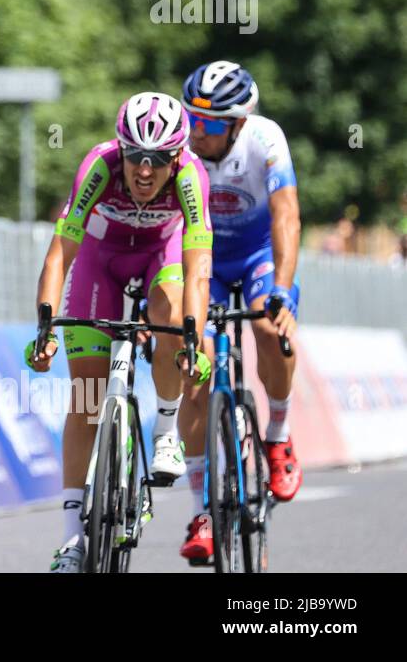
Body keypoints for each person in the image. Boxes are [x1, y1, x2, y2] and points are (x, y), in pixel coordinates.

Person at [28, 92, 211, 573]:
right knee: (87, 397)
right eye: (135, 156)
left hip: (160, 258)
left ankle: (166, 430)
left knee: (171, 314)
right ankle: (71, 541)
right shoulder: (99, 165)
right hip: (100, 261)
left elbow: (197, 267)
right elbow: (61, 250)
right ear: (120, 149)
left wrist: (193, 337)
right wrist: (45, 325)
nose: (144, 171)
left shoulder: (193, 176)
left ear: (176, 157)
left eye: (157, 160)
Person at [176, 61, 303, 564]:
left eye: (206, 124)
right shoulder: (179, 146)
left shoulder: (266, 140)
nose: (194, 132)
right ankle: (201, 511)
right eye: (191, 119)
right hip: (203, 258)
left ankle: (277, 437)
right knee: (195, 365)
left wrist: (283, 290)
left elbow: (286, 215)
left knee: (271, 328)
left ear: (237, 123)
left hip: (255, 255)